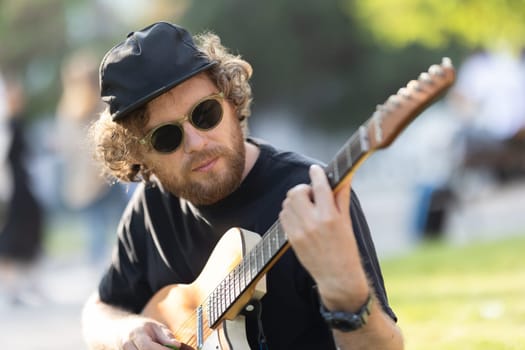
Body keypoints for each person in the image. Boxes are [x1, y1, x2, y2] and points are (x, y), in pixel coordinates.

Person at [81, 22, 403, 349]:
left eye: (205, 113)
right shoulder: (151, 206)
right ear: (140, 155)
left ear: (231, 101)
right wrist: (124, 331)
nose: (195, 141)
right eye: (166, 137)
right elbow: (98, 310)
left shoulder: (315, 194)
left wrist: (345, 290)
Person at [55, 50, 128, 267]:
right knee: (121, 226)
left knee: (97, 233)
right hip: (104, 175)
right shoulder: (101, 104)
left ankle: (107, 272)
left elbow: (68, 148)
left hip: (89, 182)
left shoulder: (66, 109)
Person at [0, 74, 45, 306]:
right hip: (12, 185)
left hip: (24, 183)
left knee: (29, 230)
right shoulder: (7, 124)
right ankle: (12, 286)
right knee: (12, 233)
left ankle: (28, 284)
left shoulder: (18, 121)